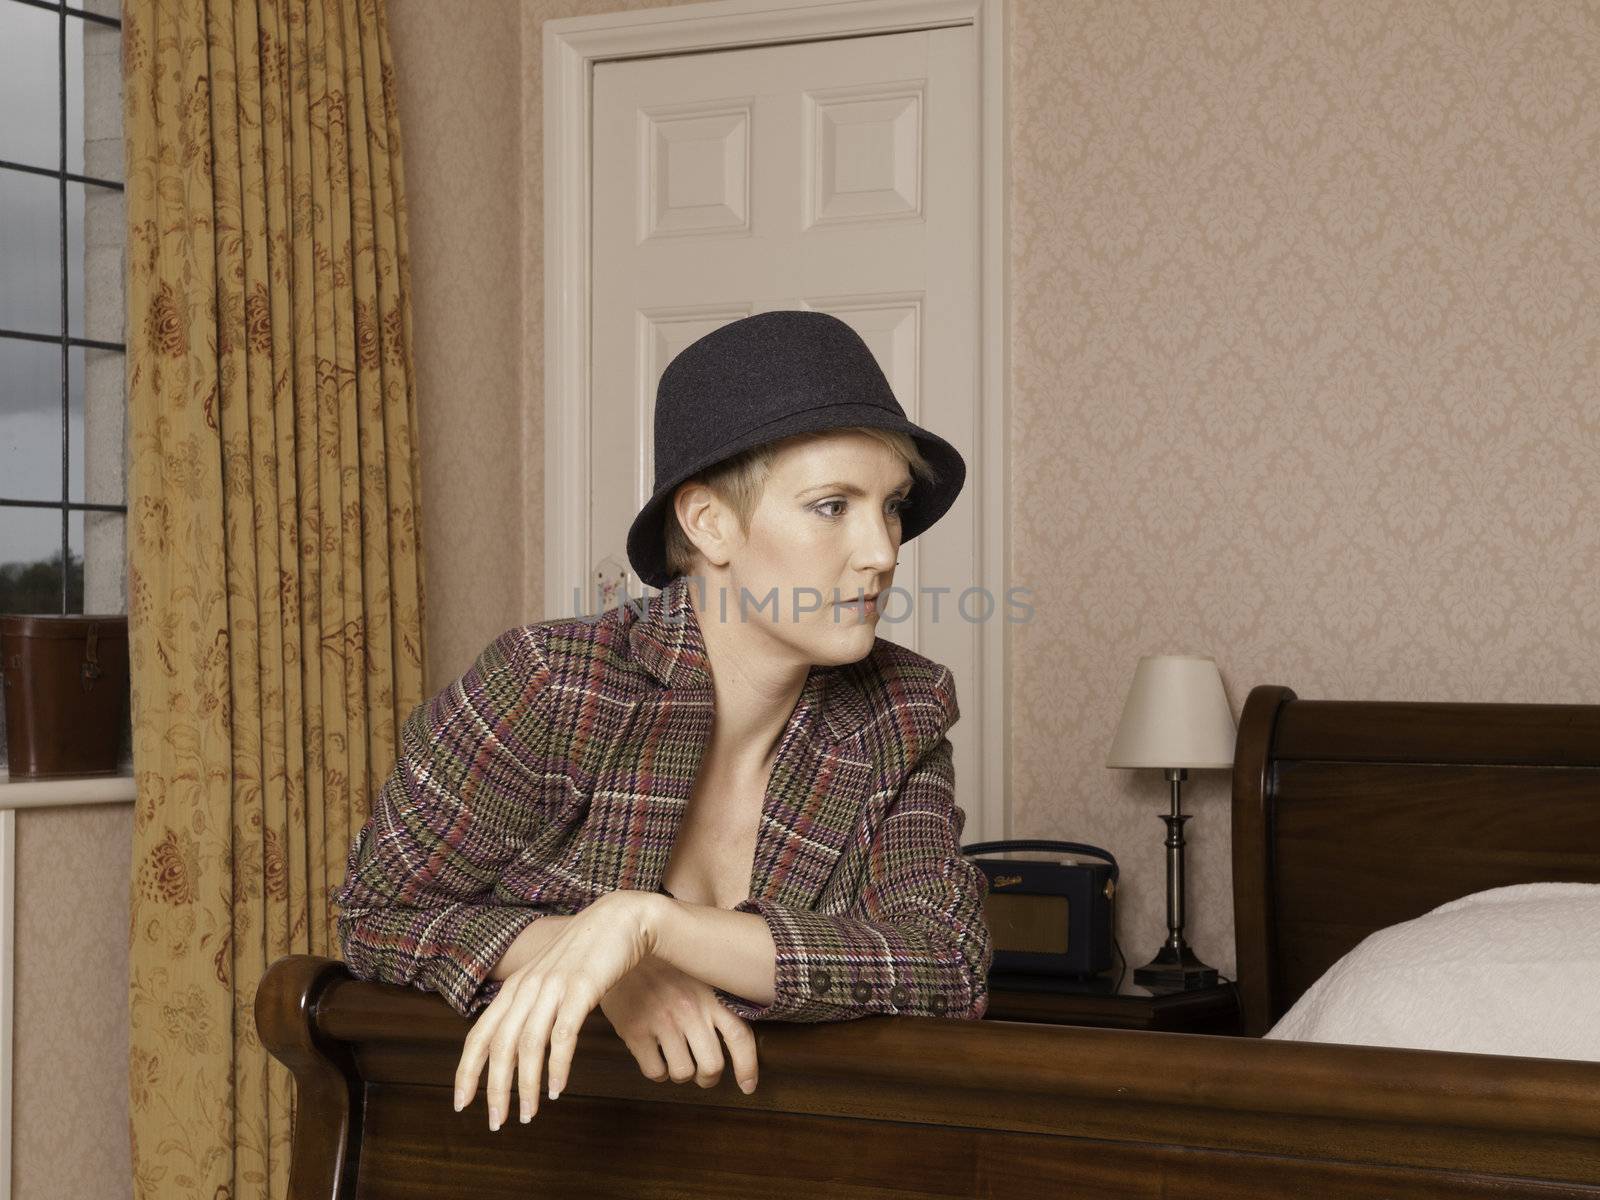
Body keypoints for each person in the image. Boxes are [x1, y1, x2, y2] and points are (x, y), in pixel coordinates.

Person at [331, 310, 994, 1134]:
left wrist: (647, 925)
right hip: (523, 1155)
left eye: (890, 506)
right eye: (833, 507)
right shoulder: (554, 687)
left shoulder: (899, 711)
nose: (884, 551)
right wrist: (603, 964)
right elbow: (376, 917)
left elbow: (946, 966)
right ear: (709, 523)